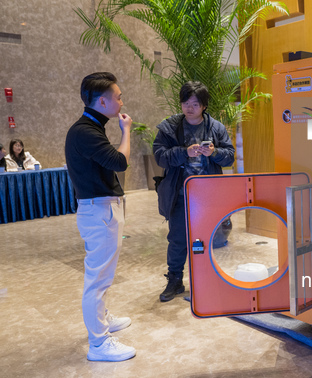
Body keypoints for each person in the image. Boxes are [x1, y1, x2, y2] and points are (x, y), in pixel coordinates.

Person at [65, 72, 136, 362]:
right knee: (97, 278)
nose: (121, 101)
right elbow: (119, 162)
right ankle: (98, 343)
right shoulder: (85, 131)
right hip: (99, 210)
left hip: (101, 208)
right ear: (103, 101)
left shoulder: (91, 127)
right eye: (118, 97)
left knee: (102, 275)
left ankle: (102, 320)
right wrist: (126, 130)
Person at [153, 81, 235, 302]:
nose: (190, 107)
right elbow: (159, 155)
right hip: (180, 194)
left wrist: (214, 153)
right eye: (186, 102)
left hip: (207, 196)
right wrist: (184, 152)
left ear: (204, 106)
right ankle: (175, 280)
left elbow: (230, 156)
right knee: (178, 239)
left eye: (195, 103)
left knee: (208, 239)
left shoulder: (216, 128)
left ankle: (207, 279)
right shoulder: (169, 127)